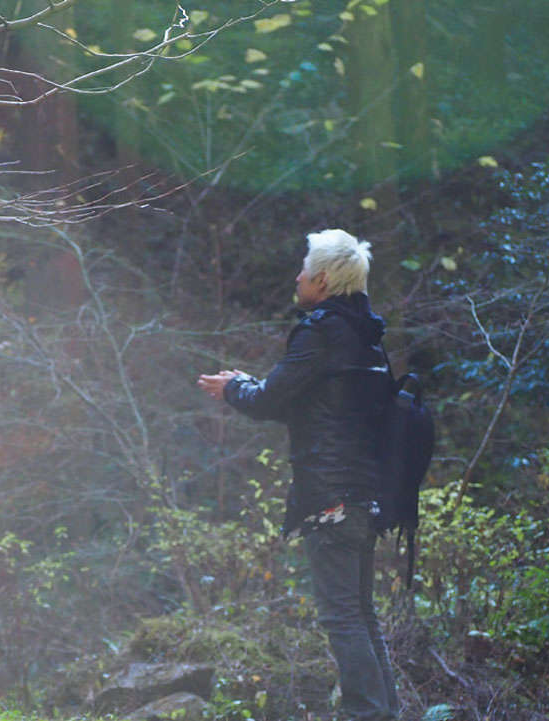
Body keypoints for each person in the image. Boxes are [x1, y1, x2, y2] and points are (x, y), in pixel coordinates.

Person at [197, 229, 399, 721]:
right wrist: (248, 386)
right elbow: (315, 406)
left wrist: (234, 389)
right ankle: (384, 712)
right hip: (367, 493)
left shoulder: (321, 331)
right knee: (361, 613)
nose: (297, 276)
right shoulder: (365, 338)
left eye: (305, 269)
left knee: (341, 615)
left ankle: (365, 715)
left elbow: (271, 398)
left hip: (331, 495)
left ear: (323, 280)